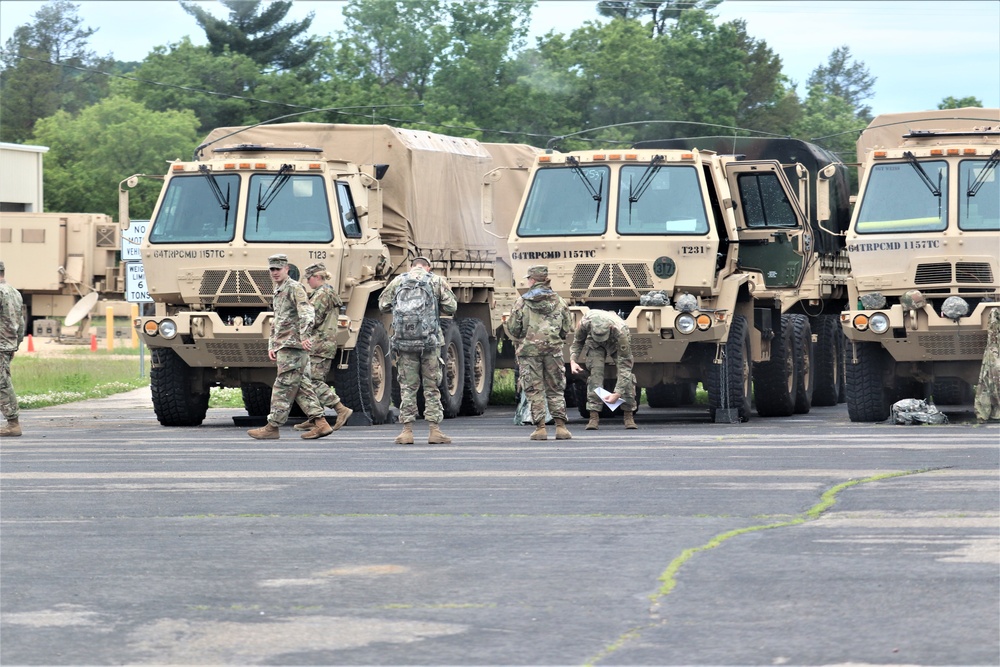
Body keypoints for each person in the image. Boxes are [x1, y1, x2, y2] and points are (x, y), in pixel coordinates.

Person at [247, 254, 332, 440]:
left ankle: (272, 426)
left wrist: (304, 337)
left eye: (278, 269)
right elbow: (277, 320)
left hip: (294, 346)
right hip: (284, 345)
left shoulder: (295, 287)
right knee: (301, 386)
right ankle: (321, 423)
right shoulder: (278, 290)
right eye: (272, 269)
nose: (275, 272)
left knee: (282, 385)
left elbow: (307, 313)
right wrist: (272, 344)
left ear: (287, 269)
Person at [378, 256, 457, 445]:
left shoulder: (398, 281)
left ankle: (407, 432)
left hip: (404, 341)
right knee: (431, 387)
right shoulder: (436, 280)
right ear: (428, 267)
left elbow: (383, 305)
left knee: (407, 387)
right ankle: (434, 431)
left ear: (411, 267)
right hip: (430, 341)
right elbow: (451, 306)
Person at [507, 265, 573, 441]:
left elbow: (513, 328)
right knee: (556, 389)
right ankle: (561, 427)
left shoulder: (522, 301)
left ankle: (541, 428)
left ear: (533, 280)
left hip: (529, 352)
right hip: (553, 351)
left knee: (534, 389)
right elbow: (567, 327)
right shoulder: (560, 301)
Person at [291, 262, 354, 433]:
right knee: (312, 379)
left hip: (318, 344)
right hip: (324, 343)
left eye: (309, 279)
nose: (308, 282)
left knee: (313, 381)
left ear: (317, 277)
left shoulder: (322, 294)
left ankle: (340, 409)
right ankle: (314, 418)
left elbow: (312, 319)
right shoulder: (326, 292)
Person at [569, 309, 638, 430]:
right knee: (595, 376)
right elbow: (578, 342)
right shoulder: (585, 323)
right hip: (593, 342)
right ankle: (593, 416)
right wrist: (573, 361)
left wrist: (617, 393)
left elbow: (625, 368)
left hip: (614, 341)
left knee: (627, 378)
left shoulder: (621, 331)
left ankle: (628, 415)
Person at [0, 260, 25, 437]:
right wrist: (16, 344)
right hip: (7, 344)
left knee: (2, 383)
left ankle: (13, 423)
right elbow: (21, 322)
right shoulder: (14, 291)